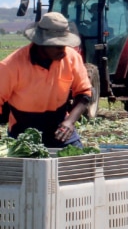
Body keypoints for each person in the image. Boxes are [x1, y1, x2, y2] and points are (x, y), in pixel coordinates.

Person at [0, 12, 92, 148]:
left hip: (60, 128)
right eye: (57, 45)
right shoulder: (11, 66)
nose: (64, 49)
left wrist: (70, 122)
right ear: (41, 43)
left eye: (65, 44)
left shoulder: (72, 58)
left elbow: (84, 94)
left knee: (78, 164)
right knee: (22, 169)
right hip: (23, 132)